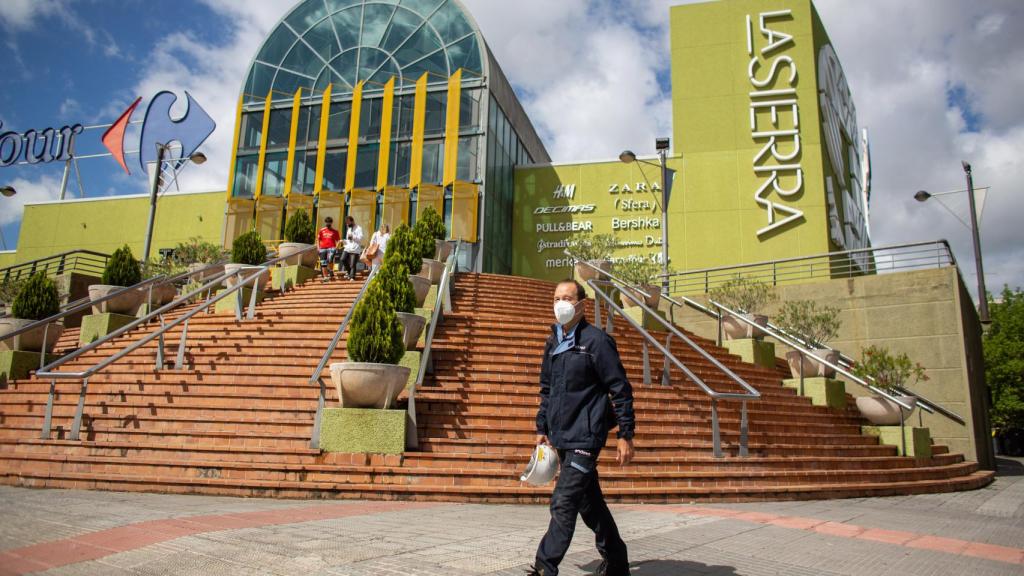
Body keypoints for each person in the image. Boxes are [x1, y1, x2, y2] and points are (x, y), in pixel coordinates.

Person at [528, 279, 635, 576]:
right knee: (590, 505)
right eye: (556, 297)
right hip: (562, 435)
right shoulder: (554, 342)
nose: (560, 303)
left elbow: (621, 389)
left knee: (564, 501)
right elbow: (548, 389)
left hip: (586, 438)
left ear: (581, 304)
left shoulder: (597, 342)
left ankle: (544, 567)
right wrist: (542, 426)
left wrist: (625, 434)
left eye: (567, 298)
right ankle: (616, 561)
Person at [316, 217, 341, 283]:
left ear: (331, 223)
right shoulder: (322, 230)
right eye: (327, 222)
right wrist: (318, 247)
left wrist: (336, 248)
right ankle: (325, 277)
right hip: (323, 248)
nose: (328, 223)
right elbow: (318, 239)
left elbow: (338, 240)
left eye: (329, 222)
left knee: (330, 260)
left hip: (331, 248)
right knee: (323, 263)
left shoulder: (335, 231)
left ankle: (331, 270)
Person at [340, 216, 364, 280]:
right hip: (348, 247)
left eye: (348, 223)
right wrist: (344, 241)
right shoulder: (349, 229)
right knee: (343, 259)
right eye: (346, 223)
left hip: (355, 248)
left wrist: (353, 237)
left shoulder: (359, 228)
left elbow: (361, 238)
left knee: (352, 264)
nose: (347, 224)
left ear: (352, 221)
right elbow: (348, 240)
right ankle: (349, 272)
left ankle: (352, 277)